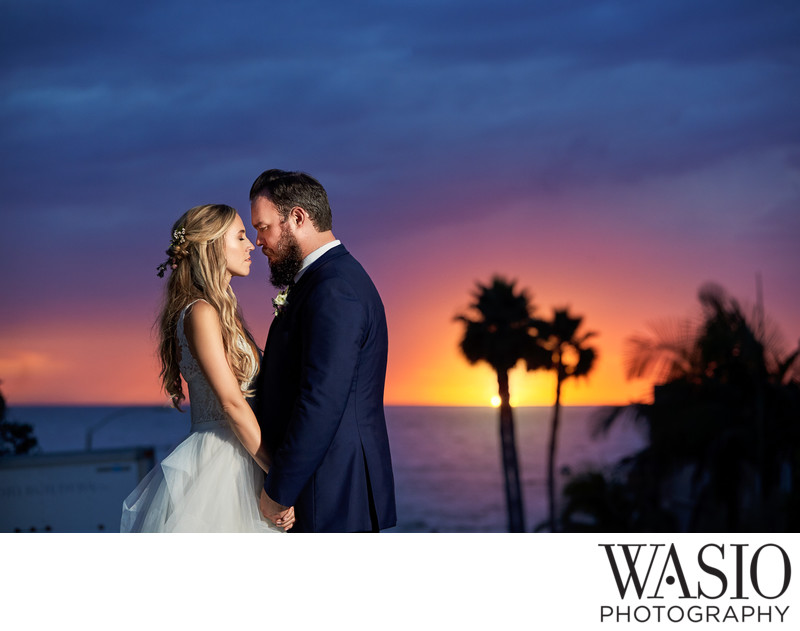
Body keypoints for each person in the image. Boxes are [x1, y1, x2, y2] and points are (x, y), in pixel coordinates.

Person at [121, 204, 294, 532]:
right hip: (224, 466)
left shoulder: (219, 311)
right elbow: (231, 403)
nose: (251, 245)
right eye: (240, 236)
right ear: (212, 245)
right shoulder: (200, 312)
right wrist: (280, 478)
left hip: (243, 455)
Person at [250, 169, 396, 532]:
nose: (257, 241)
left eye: (263, 226)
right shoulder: (325, 281)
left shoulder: (334, 290)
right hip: (326, 487)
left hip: (330, 492)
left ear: (297, 218)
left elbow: (322, 400)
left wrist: (280, 490)